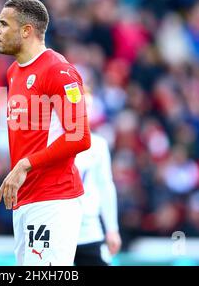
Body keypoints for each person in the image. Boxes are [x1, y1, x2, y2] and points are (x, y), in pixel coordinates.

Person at [0, 0, 91, 266]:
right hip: (25, 199)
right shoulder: (14, 72)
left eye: (4, 24)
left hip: (53, 199)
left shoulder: (58, 71)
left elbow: (80, 137)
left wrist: (25, 164)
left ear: (26, 31)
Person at [74, 91, 122, 266]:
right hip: (58, 226)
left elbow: (105, 186)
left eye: (87, 106)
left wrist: (112, 229)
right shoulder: (51, 141)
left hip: (88, 228)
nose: (83, 111)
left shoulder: (98, 145)